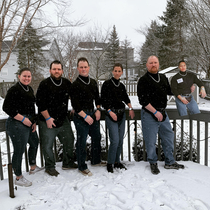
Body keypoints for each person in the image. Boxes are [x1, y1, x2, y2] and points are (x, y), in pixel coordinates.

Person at [137, 55, 184, 175]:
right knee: (150, 141)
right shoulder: (143, 80)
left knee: (168, 137)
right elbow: (143, 101)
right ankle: (153, 162)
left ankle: (169, 161)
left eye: (155, 62)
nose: (153, 65)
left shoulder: (163, 77)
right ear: (147, 65)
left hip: (163, 113)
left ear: (158, 64)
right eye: (151, 63)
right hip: (149, 114)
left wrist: (184, 89)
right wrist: (155, 112)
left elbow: (169, 91)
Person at [3, 67, 43, 187]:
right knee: (19, 149)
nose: (27, 78)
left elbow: (31, 107)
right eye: (24, 76)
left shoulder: (29, 89)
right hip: (16, 124)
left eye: (29, 76)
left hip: (29, 122)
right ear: (19, 76)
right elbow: (6, 108)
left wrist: (33, 121)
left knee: (35, 142)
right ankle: (18, 177)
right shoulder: (14, 89)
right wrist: (23, 119)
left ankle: (33, 167)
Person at [36, 60, 77, 177]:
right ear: (50, 70)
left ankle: (67, 163)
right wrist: (48, 118)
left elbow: (74, 95)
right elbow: (40, 103)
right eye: (54, 69)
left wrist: (74, 106)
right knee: (47, 145)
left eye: (59, 69)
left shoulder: (66, 83)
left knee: (69, 140)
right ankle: (50, 167)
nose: (57, 71)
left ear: (62, 71)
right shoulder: (44, 84)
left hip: (63, 119)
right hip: (47, 120)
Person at [71, 57, 105, 176]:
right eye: (81, 67)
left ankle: (96, 160)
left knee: (96, 137)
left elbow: (97, 98)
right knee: (82, 141)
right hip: (81, 116)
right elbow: (75, 104)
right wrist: (85, 116)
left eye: (85, 67)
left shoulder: (93, 82)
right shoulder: (75, 84)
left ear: (89, 67)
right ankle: (82, 166)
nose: (83, 69)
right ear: (78, 68)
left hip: (93, 113)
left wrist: (98, 109)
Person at [101, 63, 135, 173]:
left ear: (122, 72)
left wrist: (130, 108)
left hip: (121, 114)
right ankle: (110, 163)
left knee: (120, 140)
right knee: (114, 140)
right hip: (111, 115)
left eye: (119, 71)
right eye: (115, 70)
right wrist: (110, 111)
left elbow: (125, 97)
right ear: (112, 71)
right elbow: (103, 101)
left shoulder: (121, 85)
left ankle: (117, 162)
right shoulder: (106, 84)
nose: (117, 73)